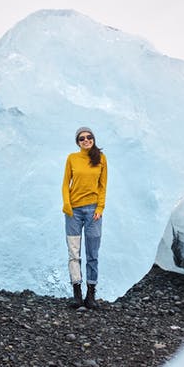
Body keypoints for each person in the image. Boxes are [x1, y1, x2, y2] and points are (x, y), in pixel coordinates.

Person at [62, 127, 107, 309]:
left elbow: (103, 186)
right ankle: (77, 294)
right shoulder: (72, 158)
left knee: (92, 254)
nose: (86, 140)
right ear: (78, 142)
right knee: (74, 253)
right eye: (82, 138)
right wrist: (67, 205)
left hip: (93, 212)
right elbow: (66, 183)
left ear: (93, 139)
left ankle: (91, 295)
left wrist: (100, 207)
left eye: (89, 137)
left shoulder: (101, 159)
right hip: (74, 211)